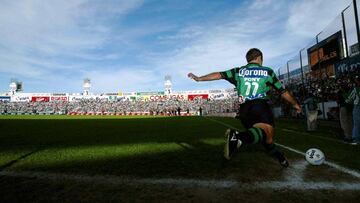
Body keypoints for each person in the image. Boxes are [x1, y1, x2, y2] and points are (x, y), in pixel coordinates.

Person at [188, 48, 301, 167]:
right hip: (259, 106)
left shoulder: (238, 71)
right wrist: (295, 104)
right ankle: (237, 137)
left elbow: (219, 75)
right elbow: (282, 91)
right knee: (267, 132)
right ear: (259, 57)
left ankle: (281, 158)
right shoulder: (267, 72)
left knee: (266, 139)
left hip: (244, 111)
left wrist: (199, 78)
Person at [346, 75, 360, 145]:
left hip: (357, 107)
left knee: (356, 124)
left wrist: (346, 100)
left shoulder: (356, 89)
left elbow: (349, 99)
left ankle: (356, 140)